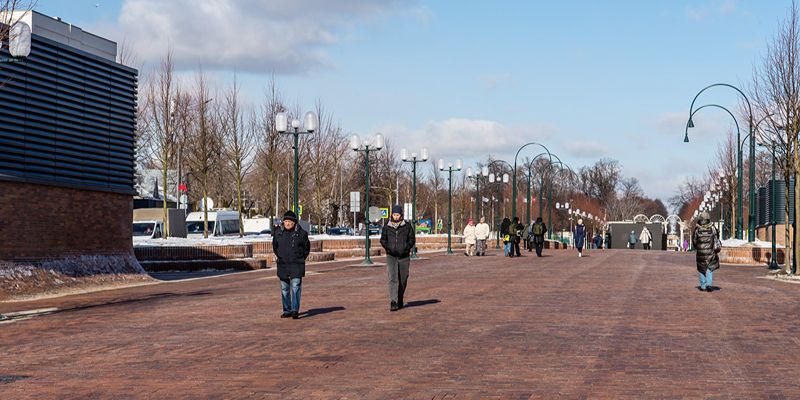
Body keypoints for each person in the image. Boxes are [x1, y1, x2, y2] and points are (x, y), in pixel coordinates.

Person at [273, 210, 311, 319]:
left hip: (296, 265)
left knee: (295, 287)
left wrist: (300, 258)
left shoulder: (302, 233)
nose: (287, 223)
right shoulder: (278, 233)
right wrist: (280, 256)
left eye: (289, 221)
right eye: (285, 221)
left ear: (294, 222)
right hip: (283, 265)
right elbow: (275, 247)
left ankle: (295, 310)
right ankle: (287, 310)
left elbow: (306, 248)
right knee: (284, 289)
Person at [380, 204, 416, 311]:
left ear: (401, 215)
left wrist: (406, 248)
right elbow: (383, 240)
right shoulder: (387, 227)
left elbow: (412, 239)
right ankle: (393, 301)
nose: (396, 216)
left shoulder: (407, 226)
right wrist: (388, 248)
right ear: (392, 215)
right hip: (391, 256)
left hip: (404, 256)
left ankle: (400, 297)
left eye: (398, 215)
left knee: (403, 279)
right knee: (392, 278)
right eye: (394, 214)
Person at [692, 211, 720, 292]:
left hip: (700, 252)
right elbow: (716, 238)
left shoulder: (697, 229)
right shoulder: (712, 228)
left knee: (701, 268)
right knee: (709, 268)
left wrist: (697, 247)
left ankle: (703, 286)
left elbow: (694, 241)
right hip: (710, 252)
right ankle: (709, 285)